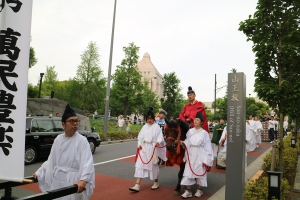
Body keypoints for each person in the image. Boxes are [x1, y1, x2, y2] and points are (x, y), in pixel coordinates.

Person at [33, 104, 95, 200]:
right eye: (71, 121)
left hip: (74, 181)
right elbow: (51, 161)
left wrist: (83, 180)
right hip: (58, 180)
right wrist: (40, 172)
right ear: (63, 124)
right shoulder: (58, 139)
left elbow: (88, 163)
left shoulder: (82, 141)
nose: (75, 123)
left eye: (76, 121)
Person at [129, 107, 167, 192]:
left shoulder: (157, 127)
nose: (149, 120)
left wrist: (158, 142)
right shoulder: (144, 127)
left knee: (153, 166)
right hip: (144, 148)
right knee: (140, 165)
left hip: (152, 148)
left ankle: (156, 182)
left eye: (151, 119)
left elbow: (160, 137)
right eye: (148, 119)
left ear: (153, 118)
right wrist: (140, 144)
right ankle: (137, 185)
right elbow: (141, 137)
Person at [180, 112, 213, 198]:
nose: (195, 121)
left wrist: (208, 158)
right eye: (194, 119)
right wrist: (183, 143)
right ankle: (188, 191)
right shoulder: (190, 131)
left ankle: (199, 190)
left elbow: (207, 146)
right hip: (191, 153)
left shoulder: (204, 133)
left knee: (200, 172)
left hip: (200, 153)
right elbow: (188, 141)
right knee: (188, 172)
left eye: (197, 120)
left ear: (201, 122)